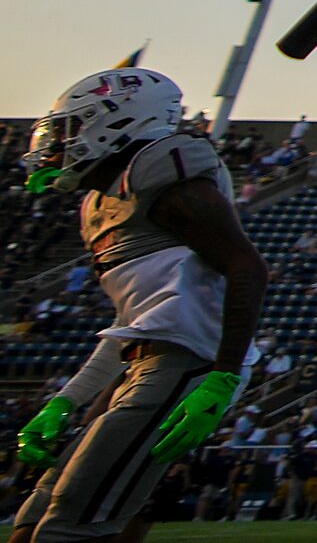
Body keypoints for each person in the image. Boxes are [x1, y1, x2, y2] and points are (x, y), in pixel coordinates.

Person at [11, 68, 268, 543]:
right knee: (33, 519)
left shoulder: (163, 168)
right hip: (143, 363)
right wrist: (67, 399)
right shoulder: (99, 204)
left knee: (71, 524)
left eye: (74, 126)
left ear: (119, 120)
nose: (60, 142)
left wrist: (223, 376)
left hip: (190, 360)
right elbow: (133, 325)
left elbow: (247, 267)